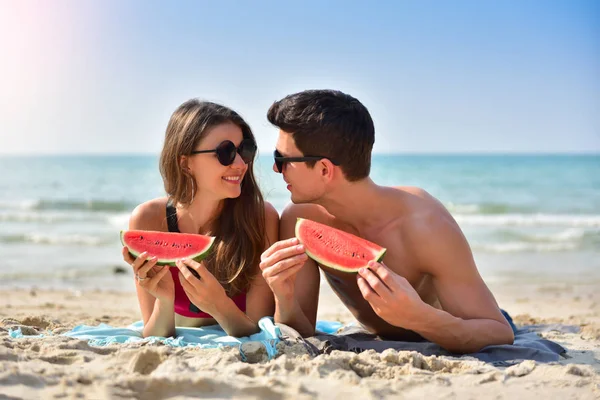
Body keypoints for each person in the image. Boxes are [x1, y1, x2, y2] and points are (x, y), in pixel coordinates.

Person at [259, 89, 515, 353]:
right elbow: (300, 333)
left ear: (324, 169)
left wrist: (419, 317)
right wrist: (284, 297)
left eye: (283, 159)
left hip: (456, 326)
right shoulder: (299, 219)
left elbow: (498, 332)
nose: (276, 169)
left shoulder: (425, 225)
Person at [122, 99, 278, 338]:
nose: (240, 164)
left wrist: (219, 304)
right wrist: (164, 302)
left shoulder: (261, 217)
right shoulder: (148, 219)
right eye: (225, 153)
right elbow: (155, 335)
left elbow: (258, 332)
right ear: (185, 163)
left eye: (244, 150)